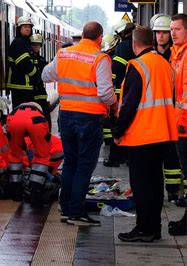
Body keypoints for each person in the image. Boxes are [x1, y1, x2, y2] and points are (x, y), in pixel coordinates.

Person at [42, 21, 117, 226]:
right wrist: (115, 103)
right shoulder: (100, 58)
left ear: (83, 35)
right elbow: (105, 92)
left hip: (65, 116)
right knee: (84, 165)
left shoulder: (64, 54)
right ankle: (76, 212)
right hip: (89, 118)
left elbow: (45, 75)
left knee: (71, 163)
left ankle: (66, 208)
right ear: (100, 38)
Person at [113, 26, 177, 242]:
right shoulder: (165, 64)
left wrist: (118, 131)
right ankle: (154, 227)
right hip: (163, 134)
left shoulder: (138, 66)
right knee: (156, 184)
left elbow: (129, 104)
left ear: (134, 44)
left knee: (141, 185)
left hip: (142, 135)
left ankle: (144, 228)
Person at [168, 13, 187, 236]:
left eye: (177, 29)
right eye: (171, 29)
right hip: (183, 124)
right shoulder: (178, 53)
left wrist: (182, 123)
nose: (172, 33)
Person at [150, 14, 184, 204]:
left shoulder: (174, 54)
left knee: (172, 156)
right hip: (155, 112)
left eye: (165, 32)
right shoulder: (151, 56)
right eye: (158, 33)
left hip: (173, 110)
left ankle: (172, 192)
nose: (161, 36)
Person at [104, 19, 136, 167]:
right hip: (135, 89)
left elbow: (116, 67)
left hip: (122, 91)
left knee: (118, 124)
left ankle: (115, 158)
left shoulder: (123, 46)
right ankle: (128, 157)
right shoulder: (135, 44)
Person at [6, 102, 51, 203]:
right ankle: (36, 190)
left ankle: (15, 189)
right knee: (42, 155)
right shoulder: (39, 114)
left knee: (14, 154)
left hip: (14, 119)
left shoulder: (15, 111)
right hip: (36, 122)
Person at [6, 16, 40, 109]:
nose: (27, 29)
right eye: (25, 27)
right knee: (21, 112)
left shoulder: (26, 42)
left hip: (25, 85)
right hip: (20, 85)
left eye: (29, 27)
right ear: (19, 28)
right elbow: (25, 64)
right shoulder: (18, 43)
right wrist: (37, 74)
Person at [101, 33, 120, 146]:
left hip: (113, 93)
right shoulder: (110, 58)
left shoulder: (113, 59)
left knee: (110, 119)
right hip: (111, 93)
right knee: (109, 119)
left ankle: (109, 140)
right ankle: (109, 139)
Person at [30, 33, 51, 129]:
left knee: (45, 114)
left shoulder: (42, 60)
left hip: (40, 92)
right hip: (30, 92)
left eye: (38, 45)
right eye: (34, 44)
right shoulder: (28, 59)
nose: (36, 47)